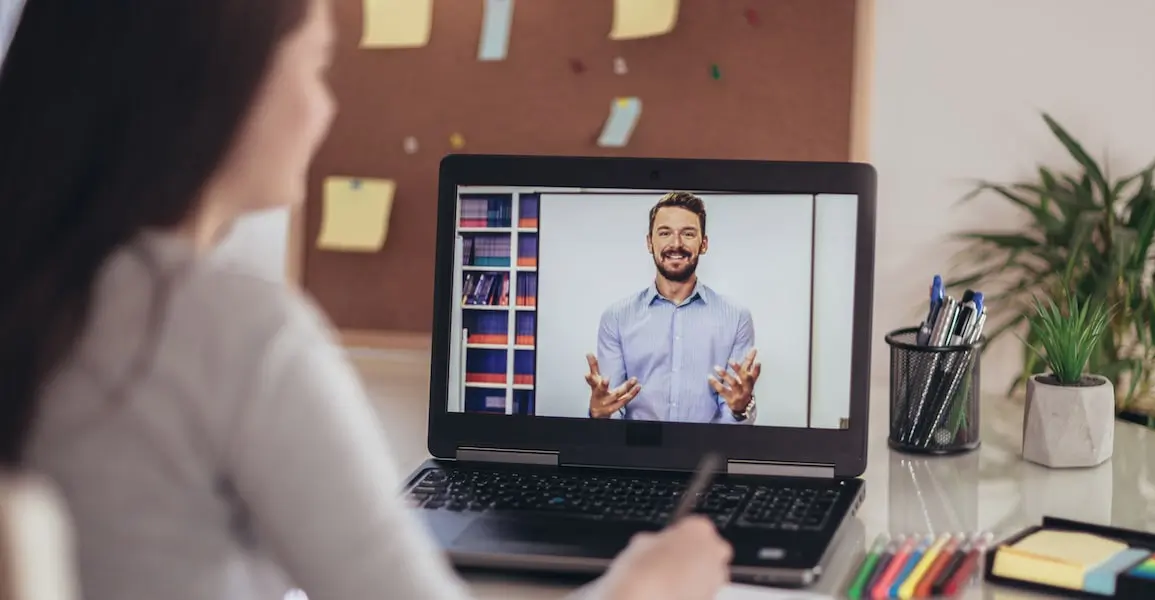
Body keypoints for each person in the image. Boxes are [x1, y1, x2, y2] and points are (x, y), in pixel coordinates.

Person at [0, 2, 733, 599]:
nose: (326, 108)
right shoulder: (231, 331)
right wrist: (647, 587)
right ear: (227, 82)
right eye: (318, 67)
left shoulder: (40, 286)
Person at [585, 192, 762, 424]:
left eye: (688, 234)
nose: (676, 244)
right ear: (650, 242)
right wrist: (599, 413)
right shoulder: (616, 317)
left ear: (704, 244)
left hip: (706, 455)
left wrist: (740, 409)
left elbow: (732, 407)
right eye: (665, 233)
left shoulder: (736, 317)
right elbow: (611, 404)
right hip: (635, 454)